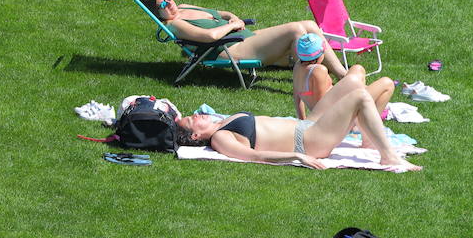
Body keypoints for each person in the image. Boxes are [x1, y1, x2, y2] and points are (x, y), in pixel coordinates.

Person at [175, 67, 422, 170]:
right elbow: (255, 156)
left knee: (362, 75)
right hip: (310, 140)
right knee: (359, 97)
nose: (196, 114)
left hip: (310, 123)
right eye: (191, 119)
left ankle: (368, 140)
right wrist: (297, 156)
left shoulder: (220, 121)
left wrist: (174, 118)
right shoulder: (220, 138)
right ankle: (387, 155)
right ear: (196, 135)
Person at [138, 0, 348, 80]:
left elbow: (221, 12)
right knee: (296, 30)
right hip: (231, 49)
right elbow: (209, 37)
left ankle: (339, 74)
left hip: (242, 37)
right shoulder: (175, 24)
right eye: (163, 4)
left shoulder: (184, 6)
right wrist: (232, 25)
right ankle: (313, 80)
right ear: (158, 12)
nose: (170, 4)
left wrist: (232, 18)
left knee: (308, 24)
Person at [292, 32, 393, 121]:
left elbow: (297, 96)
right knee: (387, 84)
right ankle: (366, 123)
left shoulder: (298, 66)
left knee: (358, 69)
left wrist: (302, 120)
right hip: (336, 117)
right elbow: (321, 106)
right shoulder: (319, 71)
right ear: (318, 55)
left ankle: (364, 111)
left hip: (335, 108)